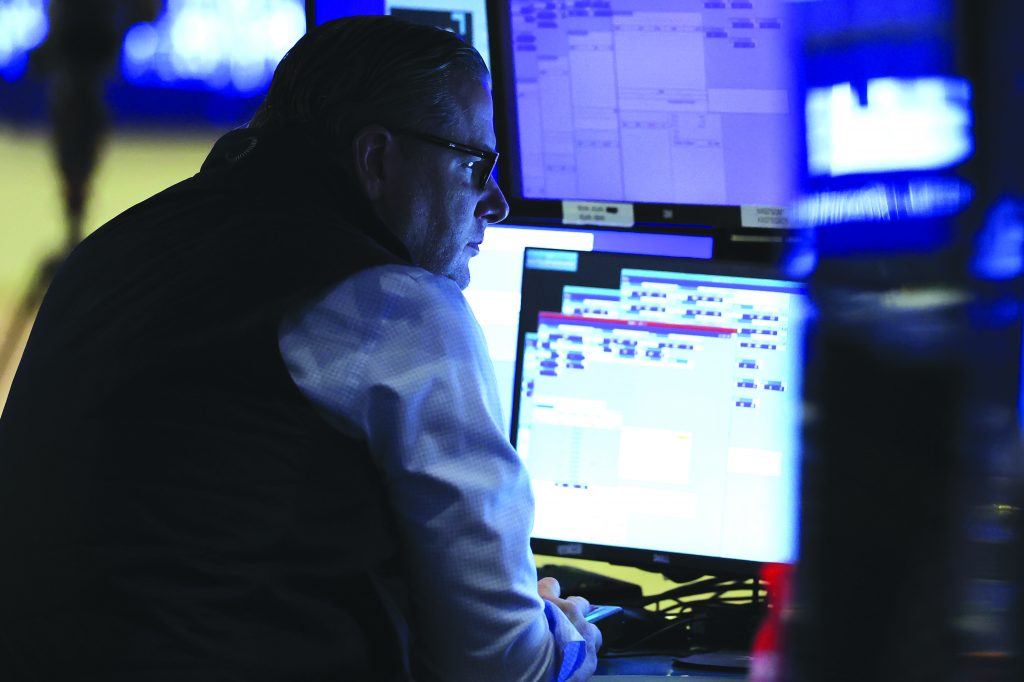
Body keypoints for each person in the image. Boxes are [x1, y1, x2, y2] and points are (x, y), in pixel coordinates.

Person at [0, 15, 601, 681]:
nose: (497, 202)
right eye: (474, 165)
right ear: (376, 159)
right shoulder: (393, 304)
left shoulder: (110, 250)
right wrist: (567, 637)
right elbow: (501, 667)